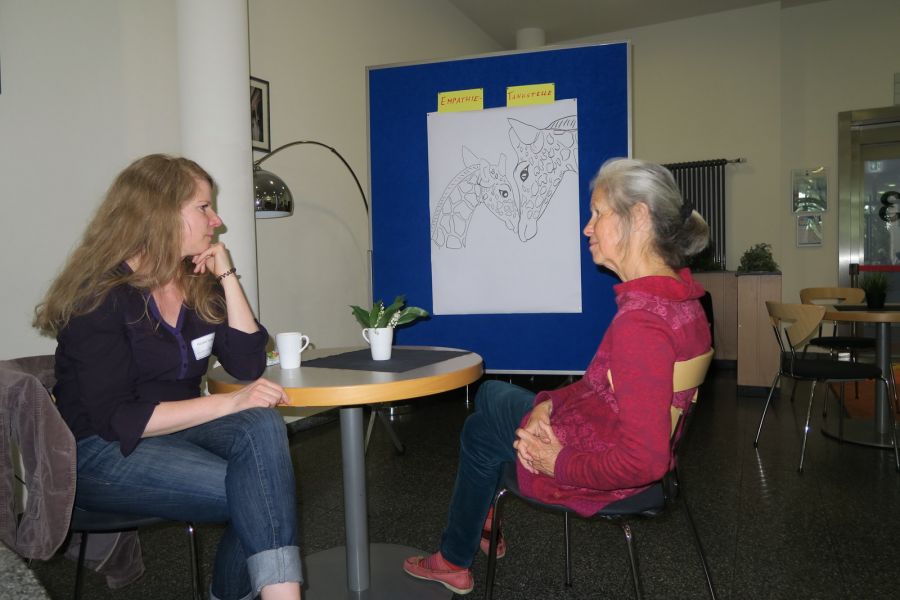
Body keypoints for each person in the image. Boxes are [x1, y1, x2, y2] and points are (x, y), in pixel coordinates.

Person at [403, 158, 712, 595]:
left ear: (639, 217)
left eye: (598, 213)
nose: (588, 228)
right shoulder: (681, 301)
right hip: (599, 430)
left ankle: (455, 558)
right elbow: (602, 389)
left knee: (479, 428)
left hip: (597, 468)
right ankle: (478, 523)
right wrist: (548, 403)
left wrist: (557, 462)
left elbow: (644, 462)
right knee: (489, 396)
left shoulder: (641, 326)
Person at [33, 154, 303, 600]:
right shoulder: (99, 296)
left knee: (261, 424)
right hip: (99, 451)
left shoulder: (195, 282)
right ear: (159, 212)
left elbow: (248, 365)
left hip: (178, 431)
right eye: (203, 207)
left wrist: (227, 276)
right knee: (261, 492)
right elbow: (118, 419)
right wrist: (228, 402)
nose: (217, 221)